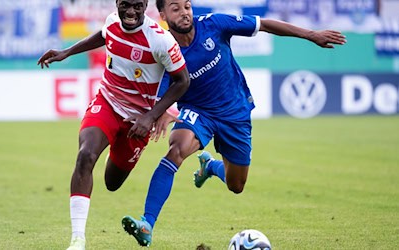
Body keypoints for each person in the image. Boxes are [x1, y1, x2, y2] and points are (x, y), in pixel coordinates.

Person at [121, 0, 346, 247]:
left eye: (187, 6)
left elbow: (265, 24)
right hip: (199, 112)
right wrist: (158, 113)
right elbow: (162, 90)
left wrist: (311, 35)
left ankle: (210, 167)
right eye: (176, 9)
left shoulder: (214, 24)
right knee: (175, 150)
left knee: (236, 185)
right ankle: (147, 223)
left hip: (235, 113)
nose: (184, 13)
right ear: (163, 14)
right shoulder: (163, 49)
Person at [37, 0, 190, 249]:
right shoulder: (112, 21)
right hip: (107, 103)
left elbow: (182, 81)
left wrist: (151, 116)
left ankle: (115, 145)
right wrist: (67, 52)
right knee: (85, 156)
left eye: (137, 6)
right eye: (125, 5)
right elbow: (102, 36)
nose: (131, 12)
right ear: (117, 3)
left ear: (146, 5)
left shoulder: (160, 40)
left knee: (112, 183)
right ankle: (77, 239)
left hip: (138, 120)